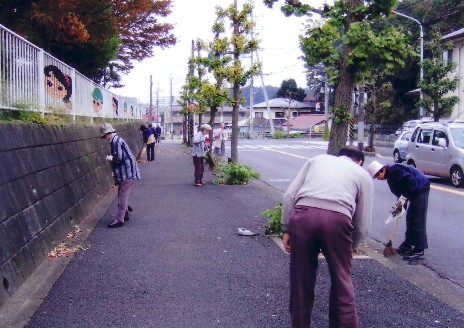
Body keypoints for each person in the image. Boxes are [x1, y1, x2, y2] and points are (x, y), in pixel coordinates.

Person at [282, 146, 373, 328]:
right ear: (360, 162)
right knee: (341, 279)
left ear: (338, 156)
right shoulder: (363, 175)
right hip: (338, 220)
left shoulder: (316, 160)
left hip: (303, 215)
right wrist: (352, 245)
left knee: (301, 279)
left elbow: (289, 196)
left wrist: (286, 229)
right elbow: (362, 223)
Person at [367, 161, 430, 261]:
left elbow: (411, 182)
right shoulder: (390, 179)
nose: (378, 178)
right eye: (375, 177)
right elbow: (400, 192)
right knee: (410, 219)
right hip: (412, 191)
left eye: (377, 175)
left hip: (420, 188)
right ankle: (408, 245)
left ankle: (419, 249)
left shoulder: (395, 170)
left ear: (383, 169)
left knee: (417, 219)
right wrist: (400, 206)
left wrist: (403, 198)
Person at [100, 123, 141, 228]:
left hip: (126, 173)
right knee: (122, 194)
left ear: (108, 134)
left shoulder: (115, 142)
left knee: (122, 195)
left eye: (105, 136)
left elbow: (119, 158)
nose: (105, 138)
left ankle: (119, 219)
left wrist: (110, 158)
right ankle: (125, 212)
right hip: (128, 171)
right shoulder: (117, 139)